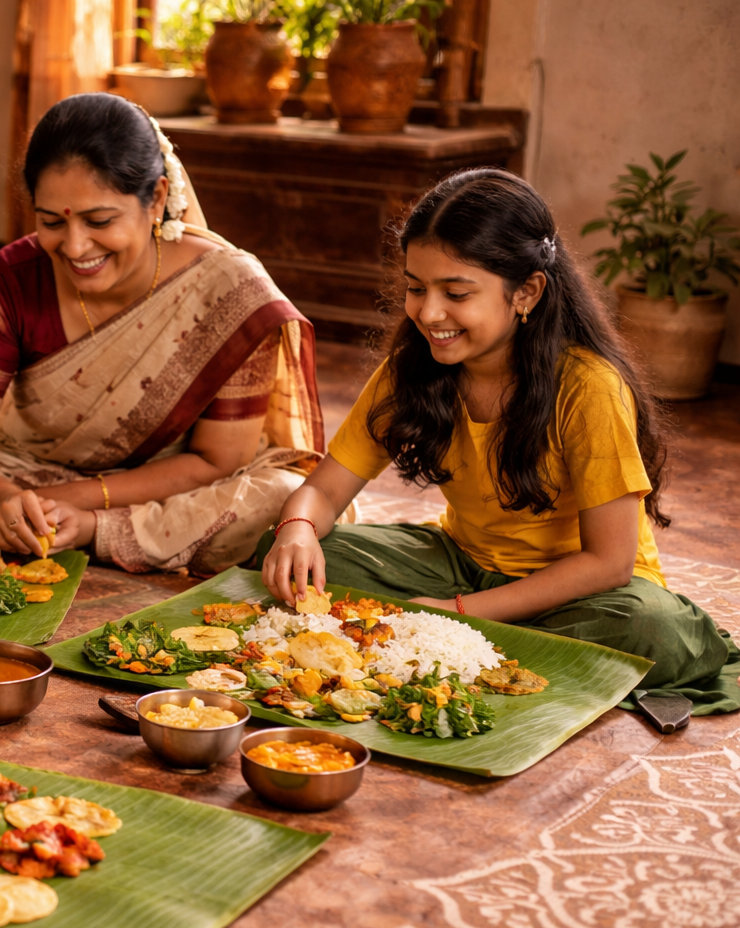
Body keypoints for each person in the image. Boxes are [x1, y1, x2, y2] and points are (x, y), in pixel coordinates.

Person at [257, 168, 740, 713]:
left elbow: (609, 563)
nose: (429, 313)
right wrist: (296, 530)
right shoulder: (410, 371)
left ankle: (455, 640)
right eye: (416, 288)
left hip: (583, 595)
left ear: (526, 292)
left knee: (654, 630)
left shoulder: (588, 387)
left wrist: (459, 612)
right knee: (295, 559)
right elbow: (322, 492)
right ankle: (477, 647)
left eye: (456, 293)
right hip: (462, 562)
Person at [0, 92, 324, 575]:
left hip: (170, 490)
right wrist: (3, 499)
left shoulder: (228, 290)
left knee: (278, 502)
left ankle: (85, 538)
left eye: (100, 220)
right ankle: (51, 532)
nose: (75, 246)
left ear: (156, 200)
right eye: (51, 222)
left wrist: (83, 512)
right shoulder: (13, 278)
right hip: (23, 474)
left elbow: (218, 462)